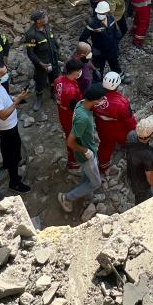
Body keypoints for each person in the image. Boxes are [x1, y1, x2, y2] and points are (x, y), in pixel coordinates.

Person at [0, 64, 31, 193]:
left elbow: (4, 98)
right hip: (6, 127)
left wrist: (14, 98)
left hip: (3, 127)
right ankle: (14, 182)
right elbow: (2, 115)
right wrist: (17, 101)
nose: (6, 75)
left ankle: (7, 163)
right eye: (3, 74)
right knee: (14, 153)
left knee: (6, 146)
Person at [58, 83, 107, 212]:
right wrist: (86, 151)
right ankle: (66, 197)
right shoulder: (83, 118)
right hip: (86, 154)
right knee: (96, 183)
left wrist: (92, 135)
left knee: (86, 175)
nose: (103, 101)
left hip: (85, 149)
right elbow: (70, 142)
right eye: (102, 98)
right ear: (95, 100)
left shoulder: (81, 103)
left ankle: (87, 195)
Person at [93, 71, 137, 178]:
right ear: (117, 85)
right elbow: (129, 120)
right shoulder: (122, 102)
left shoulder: (95, 95)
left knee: (105, 145)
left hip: (102, 126)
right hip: (118, 129)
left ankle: (103, 166)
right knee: (125, 139)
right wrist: (135, 129)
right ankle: (126, 148)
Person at [123, 115, 153, 205]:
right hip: (140, 185)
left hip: (131, 173)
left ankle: (149, 196)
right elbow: (151, 179)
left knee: (147, 193)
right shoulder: (147, 155)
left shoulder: (131, 135)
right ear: (151, 135)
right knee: (141, 203)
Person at [24, 9, 59, 111]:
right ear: (38, 21)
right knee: (40, 81)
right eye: (44, 17)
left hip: (53, 59)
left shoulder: (48, 27)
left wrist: (58, 51)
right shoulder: (31, 34)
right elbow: (30, 53)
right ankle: (39, 99)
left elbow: (53, 40)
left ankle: (53, 93)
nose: (47, 17)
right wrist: (41, 64)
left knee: (54, 78)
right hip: (42, 63)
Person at [54, 59, 83, 173]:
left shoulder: (58, 79)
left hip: (62, 112)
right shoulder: (70, 90)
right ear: (75, 72)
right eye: (79, 71)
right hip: (70, 115)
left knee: (69, 135)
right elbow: (74, 107)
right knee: (72, 137)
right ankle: (73, 163)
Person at [85, 1, 124, 79]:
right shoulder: (92, 24)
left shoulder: (111, 19)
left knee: (115, 64)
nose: (101, 15)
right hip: (99, 52)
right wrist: (91, 48)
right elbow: (82, 39)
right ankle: (98, 84)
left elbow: (117, 33)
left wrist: (115, 43)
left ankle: (120, 77)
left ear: (107, 12)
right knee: (98, 70)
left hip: (111, 49)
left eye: (103, 13)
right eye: (99, 13)